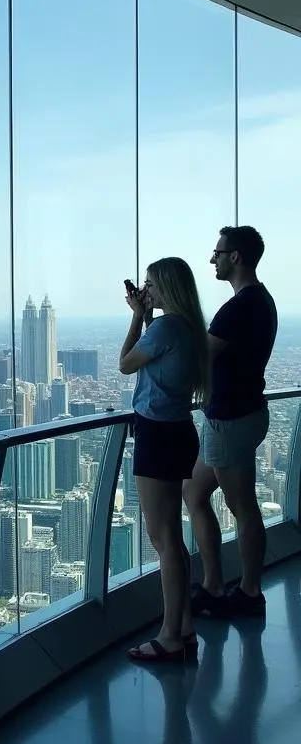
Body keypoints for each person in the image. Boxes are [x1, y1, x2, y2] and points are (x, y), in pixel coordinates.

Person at [119, 257, 209, 663]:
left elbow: (125, 365)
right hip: (178, 431)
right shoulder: (188, 326)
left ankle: (171, 635)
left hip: (157, 435)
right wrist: (147, 313)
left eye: (151, 285)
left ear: (167, 288)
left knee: (164, 539)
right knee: (172, 535)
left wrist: (138, 317)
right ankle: (185, 627)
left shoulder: (166, 327)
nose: (146, 291)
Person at [184, 225, 277, 617]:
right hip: (238, 416)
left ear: (235, 257)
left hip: (230, 420)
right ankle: (214, 585)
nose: (212, 259)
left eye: (218, 253)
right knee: (194, 493)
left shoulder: (239, 308)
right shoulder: (261, 300)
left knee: (243, 507)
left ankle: (249, 593)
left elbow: (198, 356)